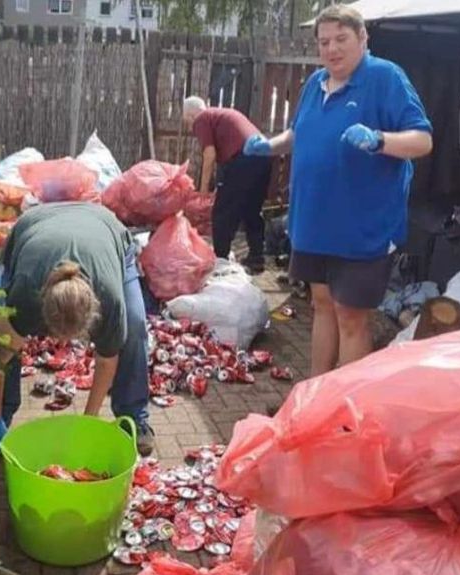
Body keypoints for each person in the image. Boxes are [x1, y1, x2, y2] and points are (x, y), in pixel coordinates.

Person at [244, 5, 433, 376]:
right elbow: (298, 134)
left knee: (351, 316)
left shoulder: (386, 78)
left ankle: (345, 410)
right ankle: (317, 392)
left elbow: (422, 140)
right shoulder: (315, 83)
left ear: (363, 39)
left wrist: (379, 140)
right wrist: (271, 145)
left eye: (341, 39)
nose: (331, 49)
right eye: (324, 41)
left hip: (362, 228)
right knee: (322, 304)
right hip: (314, 223)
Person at [0, 202, 154, 456]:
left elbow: (107, 363)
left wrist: (86, 423)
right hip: (34, 227)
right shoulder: (27, 294)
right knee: (5, 337)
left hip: (106, 229)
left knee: (135, 326)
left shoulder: (109, 298)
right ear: (42, 313)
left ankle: (134, 417)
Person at [183, 97, 272, 273]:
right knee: (251, 210)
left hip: (244, 158)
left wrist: (203, 189)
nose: (190, 127)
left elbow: (209, 154)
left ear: (191, 115)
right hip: (264, 155)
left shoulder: (202, 118)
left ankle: (221, 260)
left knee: (222, 212)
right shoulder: (222, 115)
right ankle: (256, 257)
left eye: (187, 121)